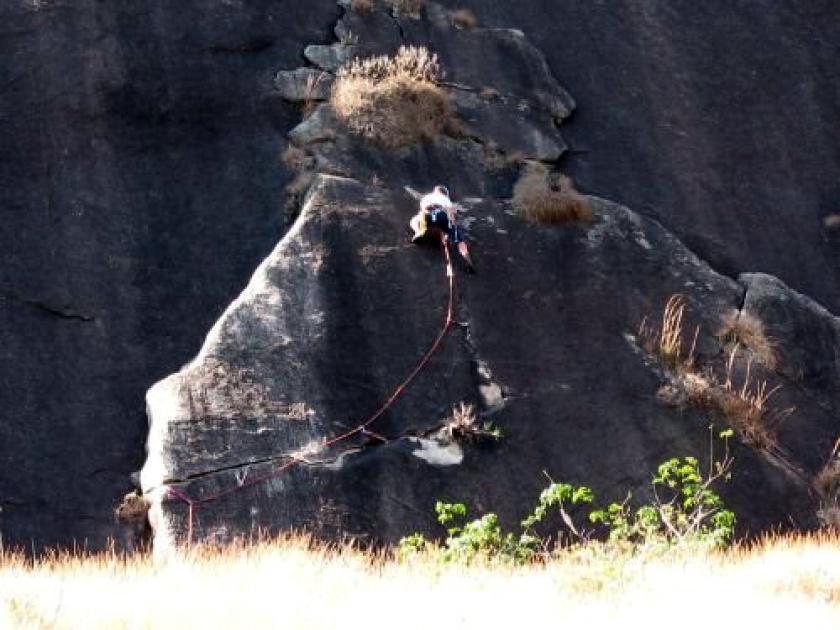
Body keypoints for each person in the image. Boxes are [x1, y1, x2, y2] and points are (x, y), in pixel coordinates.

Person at [409, 185, 476, 274]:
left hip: (429, 214)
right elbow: (452, 215)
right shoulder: (447, 200)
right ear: (445, 194)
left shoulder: (427, 197)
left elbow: (423, 210)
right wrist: (450, 230)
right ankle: (468, 262)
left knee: (414, 220)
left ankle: (419, 231)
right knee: (460, 240)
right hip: (443, 215)